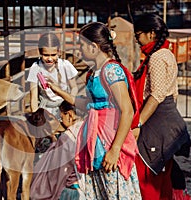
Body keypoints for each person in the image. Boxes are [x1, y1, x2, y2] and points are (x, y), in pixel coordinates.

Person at [48, 22, 141, 199]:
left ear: (93, 46)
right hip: (96, 143)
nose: (80, 50)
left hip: (111, 142)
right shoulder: (95, 72)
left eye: (81, 45)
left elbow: (127, 111)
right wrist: (58, 91)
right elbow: (87, 104)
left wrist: (115, 150)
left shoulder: (111, 71)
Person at [132, 13, 191, 200]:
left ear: (151, 34)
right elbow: (173, 92)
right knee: (163, 179)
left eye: (138, 35)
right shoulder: (166, 53)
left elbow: (157, 94)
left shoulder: (156, 57)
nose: (136, 40)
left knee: (148, 178)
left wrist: (138, 123)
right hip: (166, 121)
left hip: (156, 123)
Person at [27, 33, 79, 154]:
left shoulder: (65, 65)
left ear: (59, 52)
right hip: (45, 110)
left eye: (53, 55)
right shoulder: (36, 68)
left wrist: (70, 101)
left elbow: (74, 87)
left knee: (68, 144)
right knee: (45, 148)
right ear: (40, 52)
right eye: (46, 55)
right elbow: (33, 98)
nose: (50, 58)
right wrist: (36, 118)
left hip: (63, 107)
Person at [30, 101, 86, 200]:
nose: (61, 121)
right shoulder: (87, 128)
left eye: (61, 117)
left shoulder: (66, 137)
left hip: (70, 189)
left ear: (70, 115)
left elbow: (56, 170)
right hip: (87, 188)